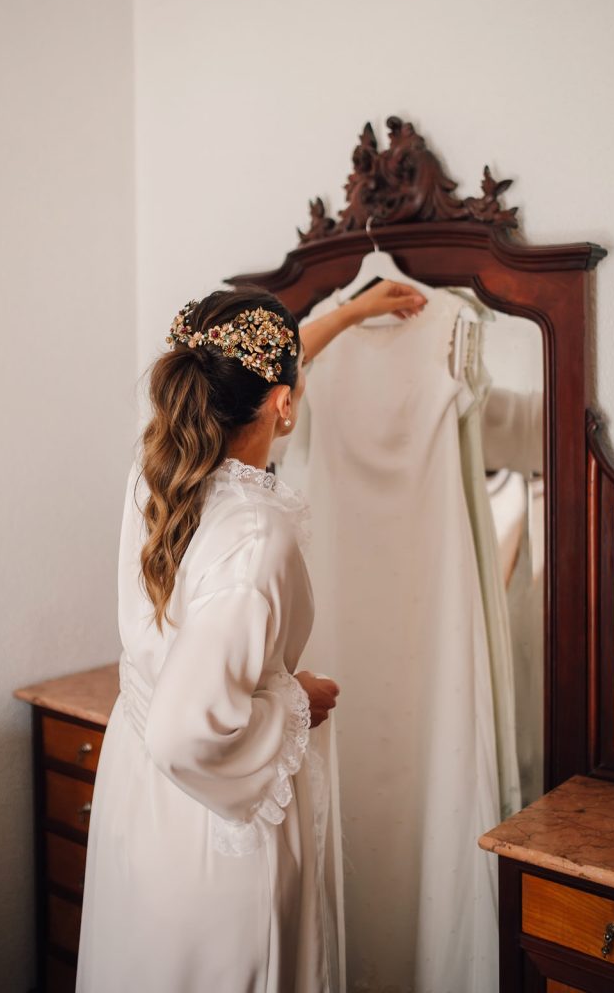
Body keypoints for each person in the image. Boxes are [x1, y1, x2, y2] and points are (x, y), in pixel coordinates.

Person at [76, 280, 426, 993]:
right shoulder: (254, 535)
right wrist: (292, 700)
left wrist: (352, 313)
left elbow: (267, 372)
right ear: (283, 402)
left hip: (140, 797)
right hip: (212, 829)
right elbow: (186, 732)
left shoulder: (156, 472)